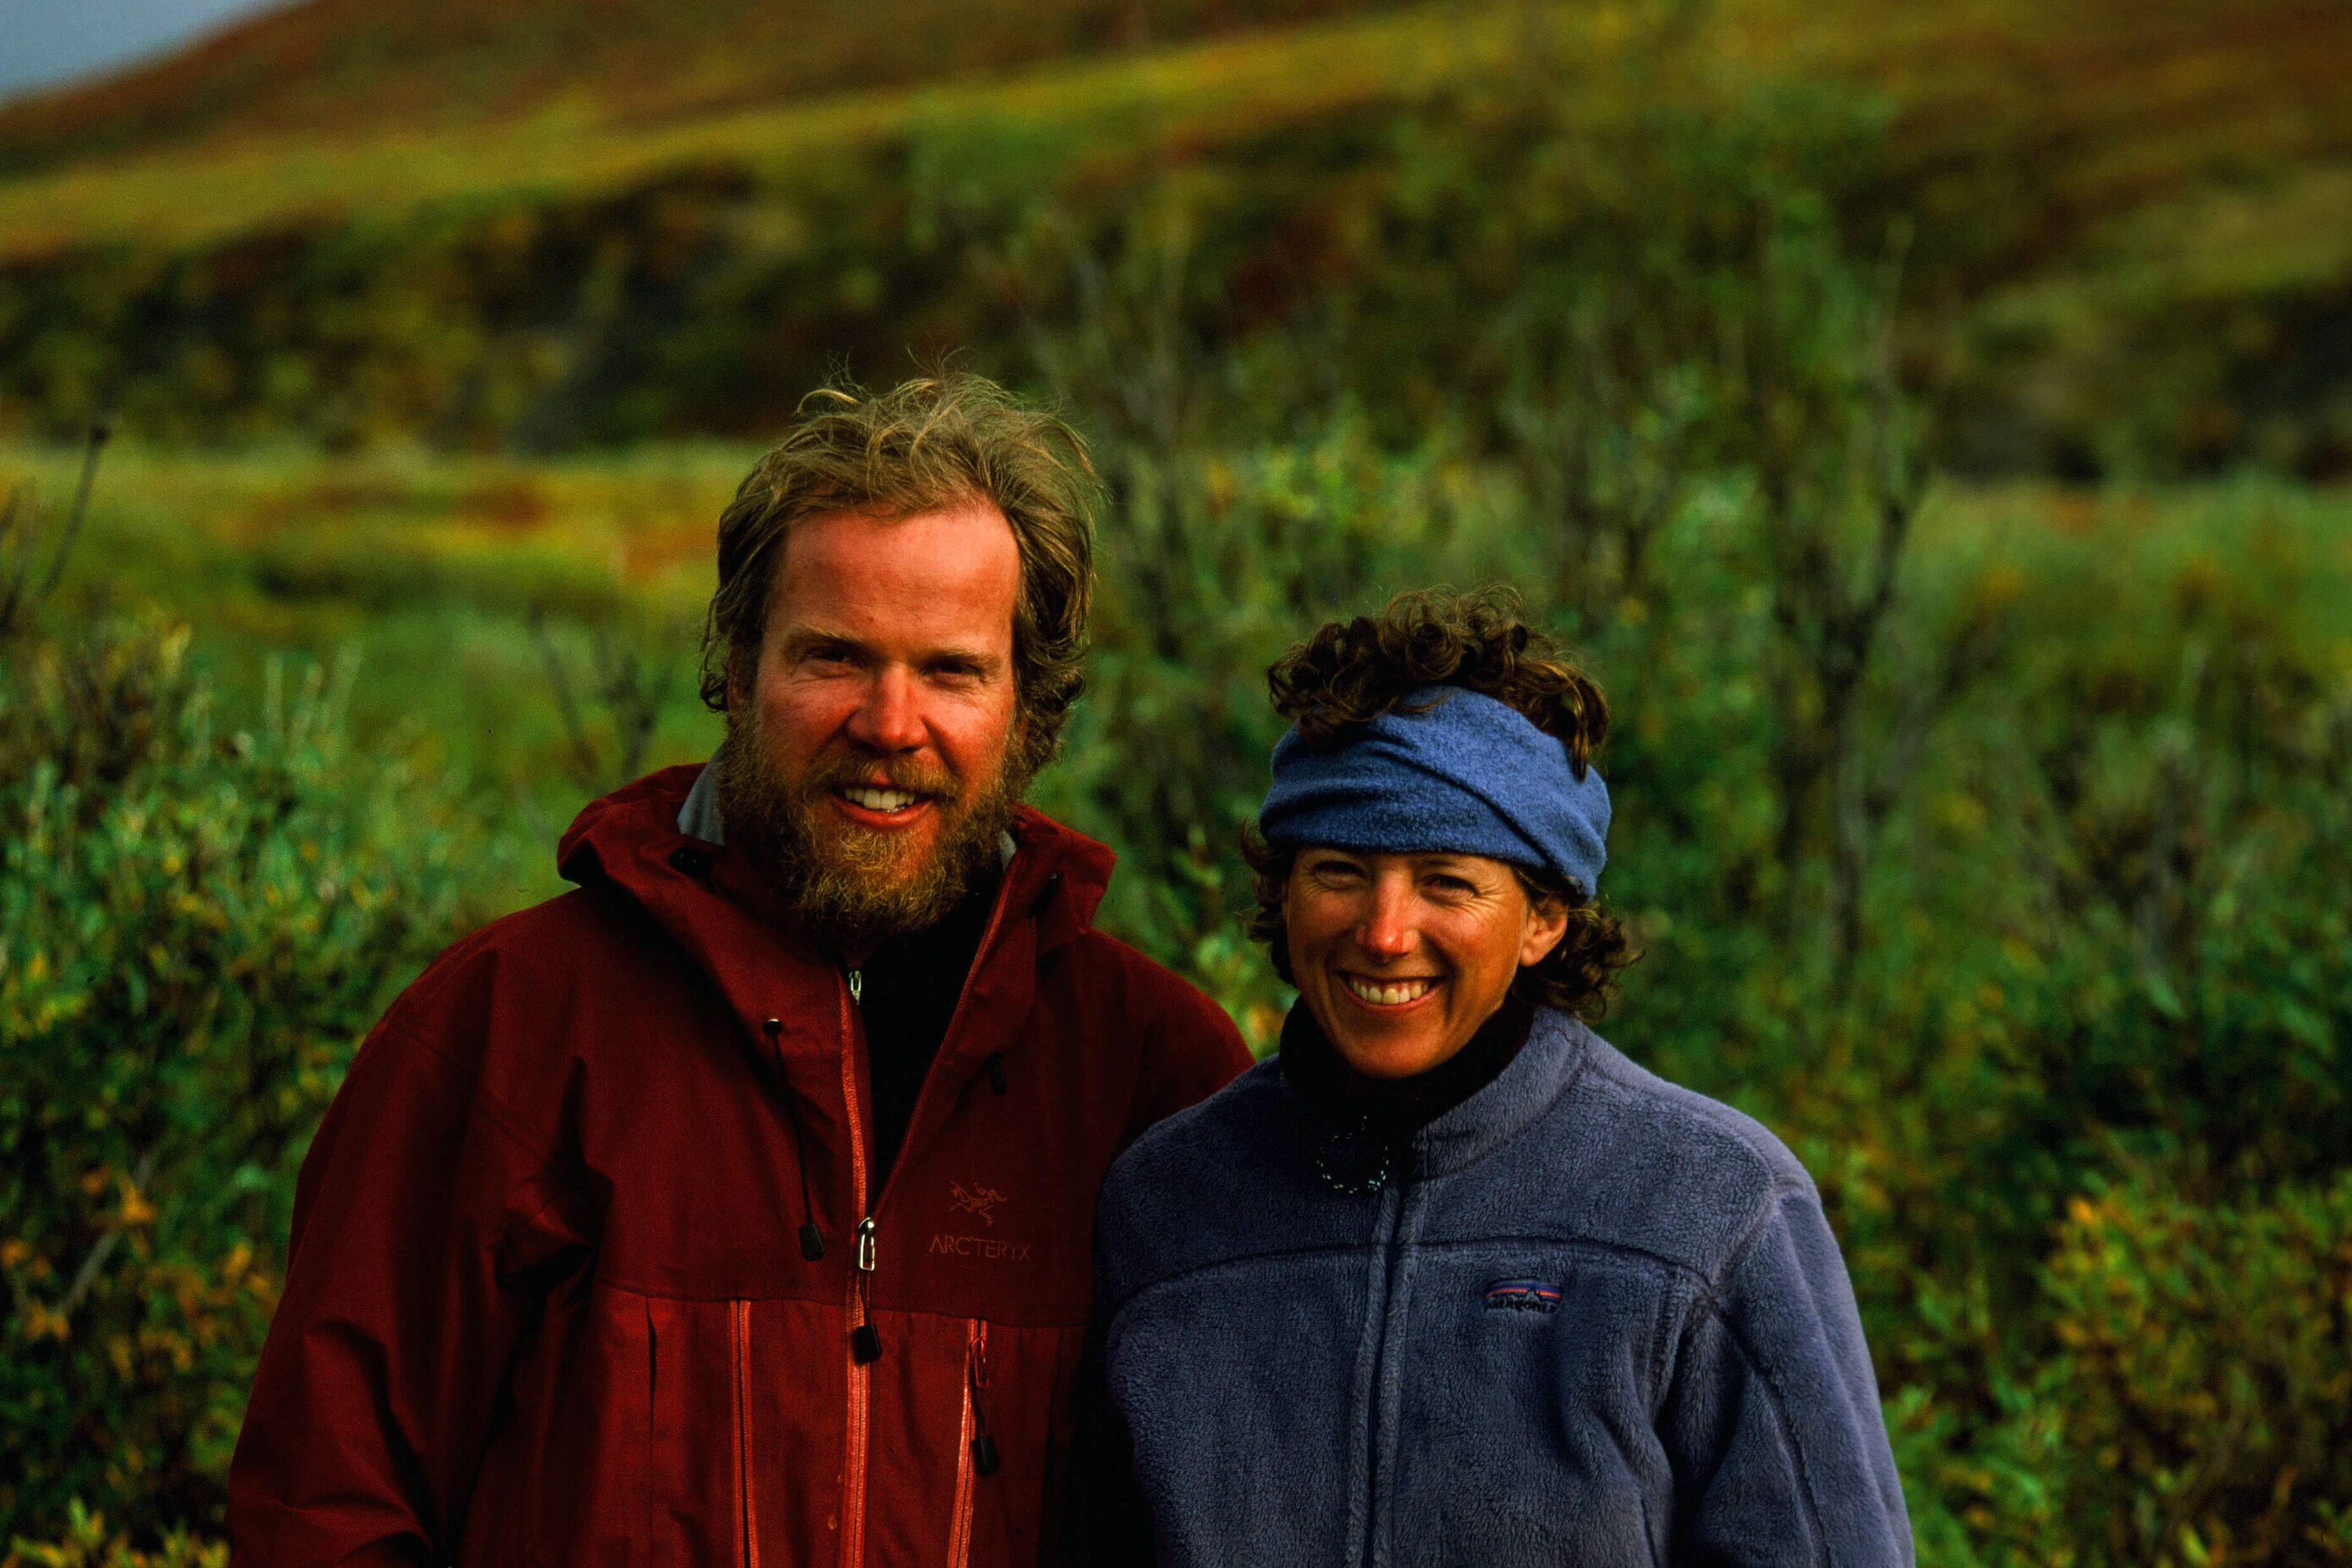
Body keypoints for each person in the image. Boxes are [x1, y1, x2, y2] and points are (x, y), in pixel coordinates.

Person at [226, 375, 1252, 1564]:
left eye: (953, 671)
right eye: (834, 657)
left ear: (1030, 706)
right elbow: (325, 1505)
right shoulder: (504, 1033)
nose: (888, 721)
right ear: (738, 661)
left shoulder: (1154, 1074)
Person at [1088, 589, 1912, 1567]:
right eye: (1341, 870)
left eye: (1447, 881)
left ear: (1544, 919)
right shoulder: (1165, 1207)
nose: (1386, 932)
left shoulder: (1714, 1210)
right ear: (1285, 888)